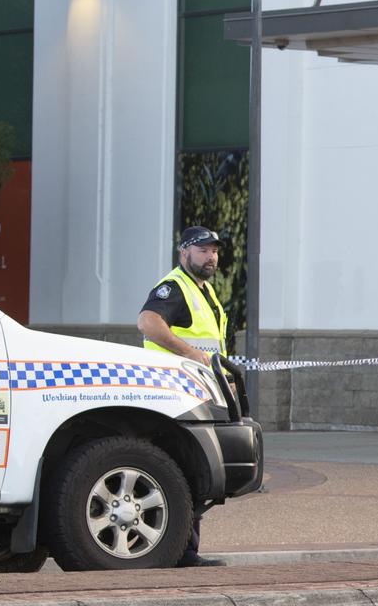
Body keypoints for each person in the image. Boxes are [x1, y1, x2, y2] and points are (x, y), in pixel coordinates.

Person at [138, 225, 228, 567]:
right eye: (202, 249)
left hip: (198, 390)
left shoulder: (203, 291)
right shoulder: (174, 287)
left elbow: (212, 348)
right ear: (184, 253)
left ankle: (184, 549)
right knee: (183, 469)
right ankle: (182, 551)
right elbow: (148, 322)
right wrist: (189, 353)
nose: (210, 256)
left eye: (214, 250)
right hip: (171, 393)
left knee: (192, 471)